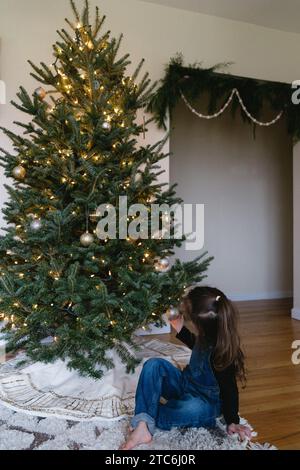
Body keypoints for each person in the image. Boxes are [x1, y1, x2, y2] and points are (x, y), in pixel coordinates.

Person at [120, 286, 252, 450]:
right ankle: (143, 423)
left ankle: (147, 417)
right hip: (185, 383)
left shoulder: (221, 352)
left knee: (190, 408)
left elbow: (230, 390)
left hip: (205, 402)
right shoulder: (207, 334)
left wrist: (233, 421)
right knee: (153, 364)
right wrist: (181, 329)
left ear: (202, 326)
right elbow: (196, 344)